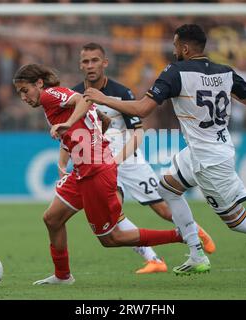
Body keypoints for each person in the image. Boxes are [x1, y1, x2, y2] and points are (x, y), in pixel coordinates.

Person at [84, 24, 246, 276]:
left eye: (176, 45)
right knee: (166, 187)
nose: (174, 50)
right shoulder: (225, 72)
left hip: (209, 160)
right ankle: (196, 253)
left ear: (186, 48)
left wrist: (102, 98)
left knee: (238, 221)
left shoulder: (175, 72)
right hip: (204, 149)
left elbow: (142, 110)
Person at [13, 64, 187, 285]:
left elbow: (85, 100)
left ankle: (180, 235)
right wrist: (88, 136)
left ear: (38, 83)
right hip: (84, 169)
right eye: (20, 93)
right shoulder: (54, 100)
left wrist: (67, 124)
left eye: (25, 90)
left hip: (95, 171)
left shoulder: (49, 95)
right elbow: (103, 118)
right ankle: (62, 276)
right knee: (52, 219)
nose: (23, 97)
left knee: (111, 238)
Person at [58, 42, 215, 274]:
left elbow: (138, 132)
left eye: (94, 60)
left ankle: (195, 231)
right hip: (98, 165)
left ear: (105, 63)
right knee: (114, 216)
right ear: (80, 65)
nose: (90, 65)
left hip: (128, 161)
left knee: (162, 210)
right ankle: (154, 259)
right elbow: (70, 133)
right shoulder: (74, 95)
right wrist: (62, 162)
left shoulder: (121, 92)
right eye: (85, 61)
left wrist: (118, 160)